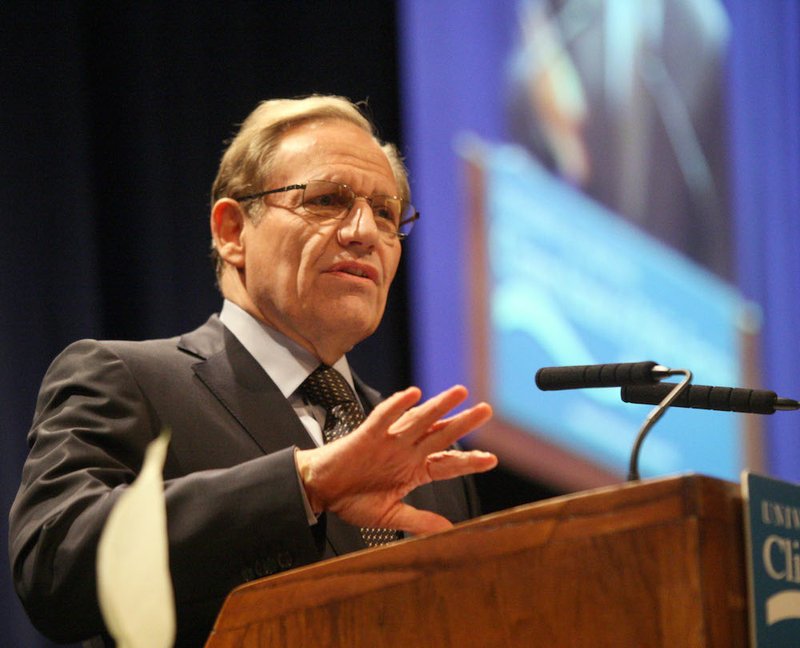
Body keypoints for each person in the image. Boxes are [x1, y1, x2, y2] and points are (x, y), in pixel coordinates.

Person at [9, 95, 497, 647]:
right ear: (232, 231)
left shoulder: (426, 464)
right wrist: (304, 484)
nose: (364, 230)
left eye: (386, 213)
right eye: (328, 199)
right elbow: (55, 565)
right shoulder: (128, 380)